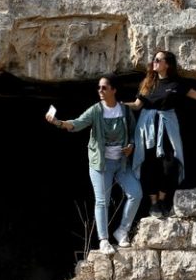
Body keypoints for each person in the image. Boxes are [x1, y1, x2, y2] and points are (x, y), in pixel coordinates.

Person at [125, 51, 196, 218]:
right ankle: (154, 204)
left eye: (158, 60)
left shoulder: (176, 84)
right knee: (149, 165)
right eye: (154, 60)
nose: (154, 62)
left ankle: (162, 198)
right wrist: (118, 105)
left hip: (168, 128)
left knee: (170, 164)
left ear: (167, 64)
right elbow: (137, 105)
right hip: (147, 129)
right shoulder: (148, 83)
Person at [45, 76, 143, 255]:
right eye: (99, 88)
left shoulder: (125, 110)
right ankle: (103, 240)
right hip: (100, 164)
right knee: (102, 201)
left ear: (113, 90)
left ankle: (122, 231)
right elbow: (76, 124)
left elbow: (132, 132)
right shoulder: (96, 111)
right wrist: (58, 122)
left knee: (136, 193)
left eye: (104, 88)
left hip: (121, 162)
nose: (100, 91)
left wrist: (131, 146)